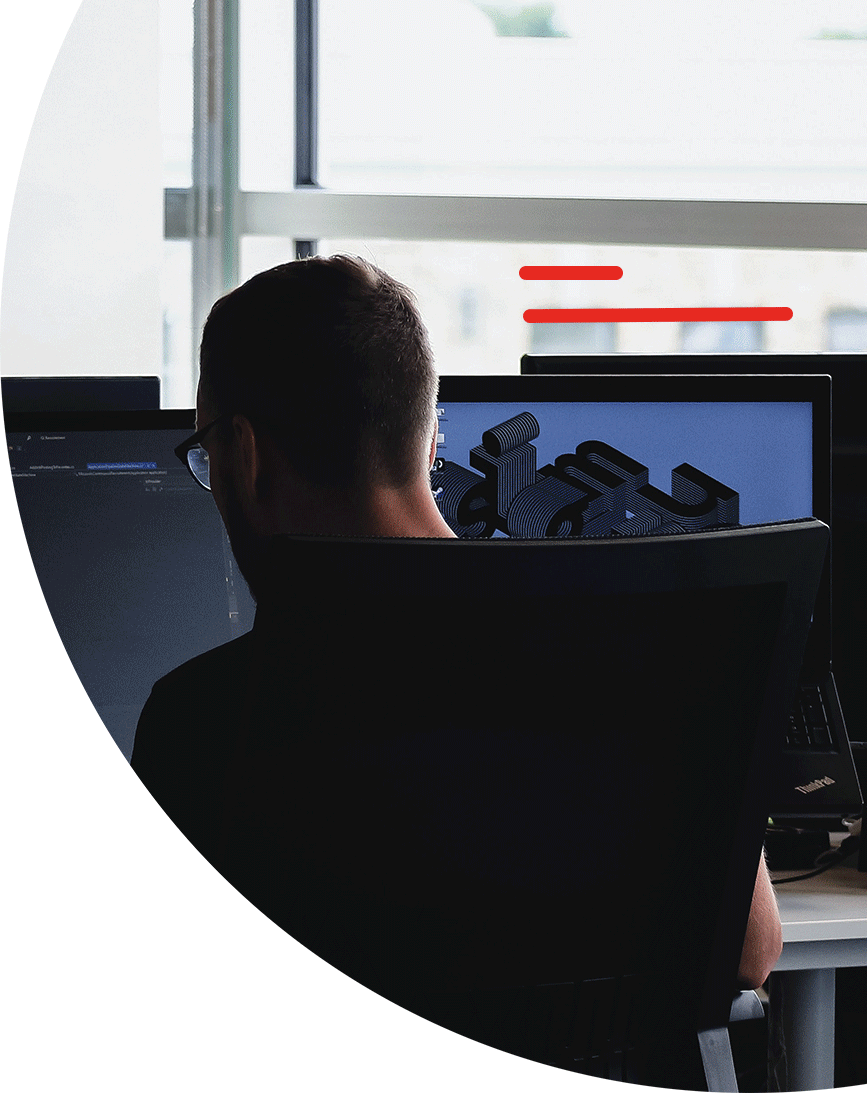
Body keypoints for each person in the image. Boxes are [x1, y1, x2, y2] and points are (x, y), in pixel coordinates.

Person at [132, 254, 781, 989]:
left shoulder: (201, 722)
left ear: (244, 456)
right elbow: (749, 954)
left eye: (207, 455)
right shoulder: (642, 651)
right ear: (432, 439)